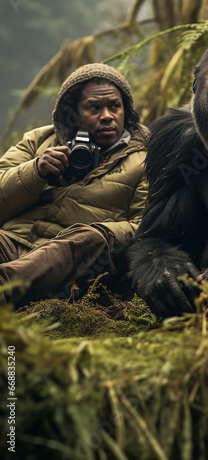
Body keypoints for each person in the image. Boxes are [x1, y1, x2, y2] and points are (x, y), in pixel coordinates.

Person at [0, 63, 148, 308]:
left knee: (91, 238)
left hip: (73, 255)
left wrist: (103, 233)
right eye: (94, 107)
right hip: (14, 241)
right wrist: (36, 171)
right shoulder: (40, 140)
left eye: (115, 106)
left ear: (126, 110)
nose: (107, 116)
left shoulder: (146, 158)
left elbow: (144, 226)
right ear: (73, 112)